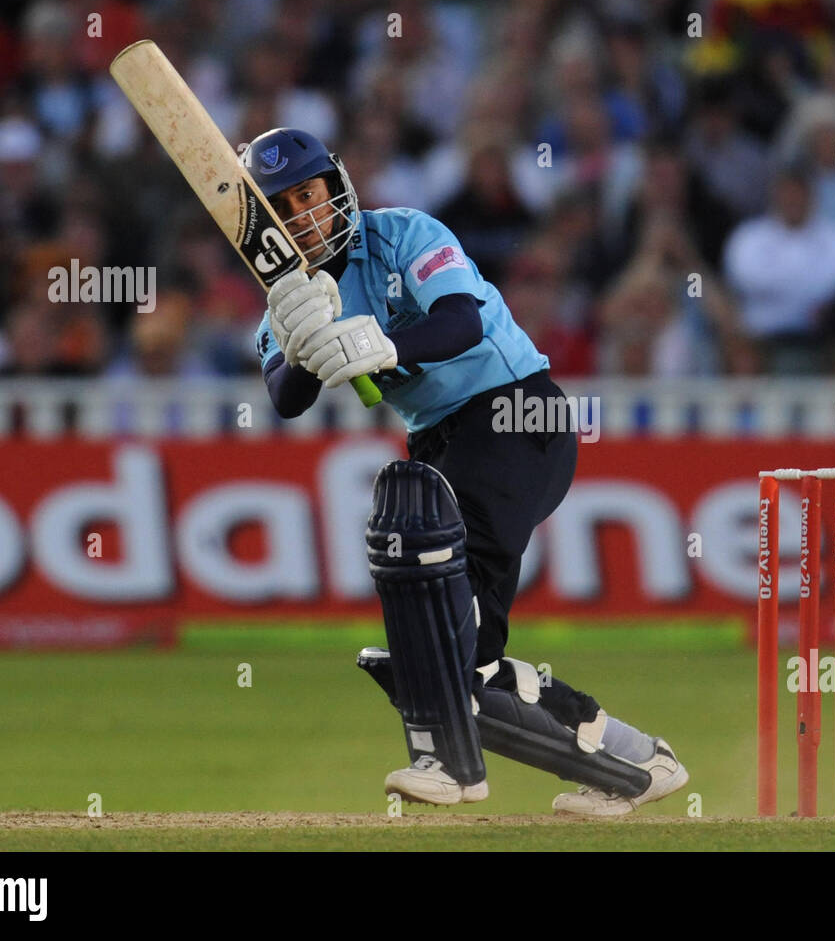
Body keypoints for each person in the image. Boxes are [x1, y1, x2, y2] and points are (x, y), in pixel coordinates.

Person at [249, 128, 688, 815]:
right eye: (283, 206)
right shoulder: (287, 294)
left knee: (440, 610)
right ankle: (636, 762)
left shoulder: (404, 234)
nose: (303, 216)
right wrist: (303, 347)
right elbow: (284, 396)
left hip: (516, 413)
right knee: (468, 655)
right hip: (439, 441)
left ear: (336, 188)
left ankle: (449, 763)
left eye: (310, 195)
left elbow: (462, 323)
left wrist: (382, 345)